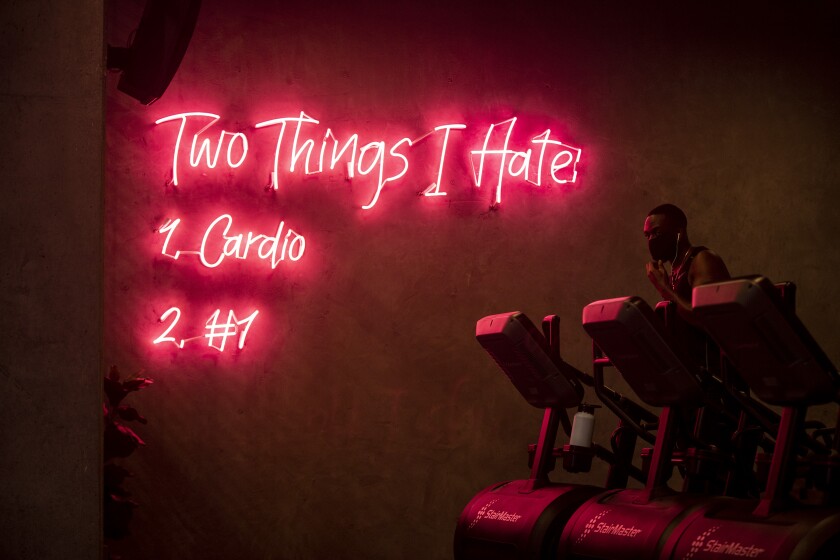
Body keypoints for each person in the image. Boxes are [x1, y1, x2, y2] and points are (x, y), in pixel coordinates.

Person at [643, 203, 730, 319]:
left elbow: (707, 317)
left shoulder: (702, 260)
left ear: (679, 232)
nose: (651, 240)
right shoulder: (675, 272)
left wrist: (665, 289)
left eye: (657, 232)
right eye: (647, 235)